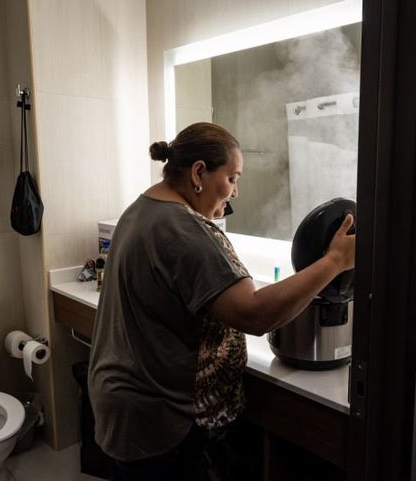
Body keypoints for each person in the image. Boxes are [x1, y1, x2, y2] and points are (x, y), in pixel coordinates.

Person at [87, 122, 355, 481]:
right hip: (159, 416)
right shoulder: (183, 230)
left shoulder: (144, 208)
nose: (236, 191)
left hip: (125, 402)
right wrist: (335, 261)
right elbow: (255, 315)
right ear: (199, 172)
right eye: (232, 178)